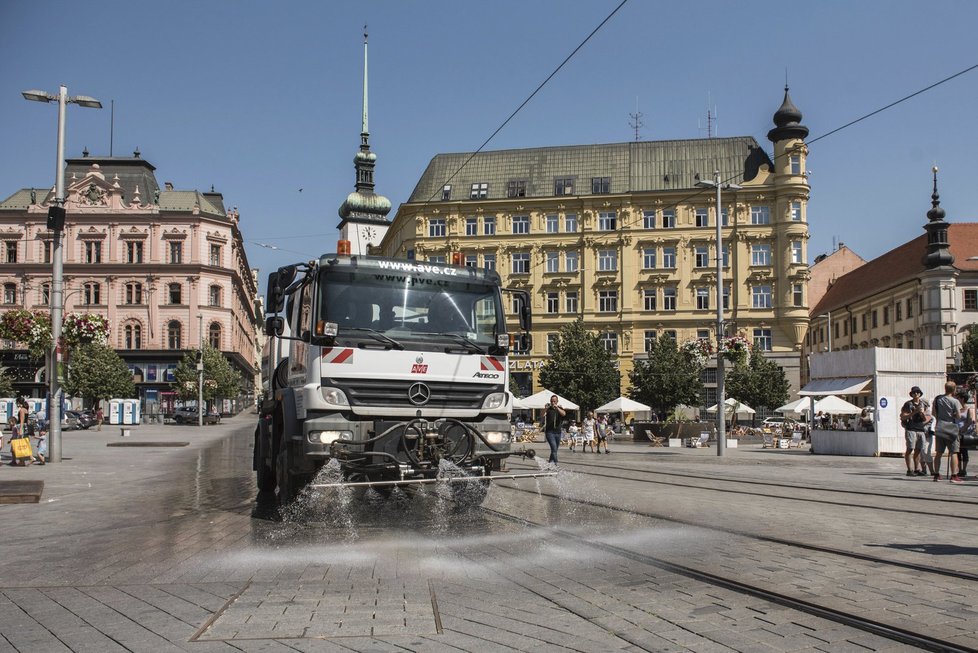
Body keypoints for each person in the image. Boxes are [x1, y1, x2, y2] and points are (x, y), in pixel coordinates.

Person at [932, 381, 965, 483]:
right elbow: (958, 416)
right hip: (951, 427)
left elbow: (934, 413)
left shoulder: (937, 399)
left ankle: (936, 475)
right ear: (954, 389)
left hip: (940, 426)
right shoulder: (955, 401)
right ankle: (954, 476)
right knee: (954, 452)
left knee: (939, 453)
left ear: (945, 388)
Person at [900, 386, 931, 477]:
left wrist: (921, 413)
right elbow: (903, 416)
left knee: (918, 450)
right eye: (914, 392)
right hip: (911, 428)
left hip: (920, 429)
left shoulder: (923, 404)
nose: (916, 394)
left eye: (918, 392)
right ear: (911, 394)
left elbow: (926, 419)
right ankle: (909, 470)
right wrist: (914, 412)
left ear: (920, 394)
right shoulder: (908, 404)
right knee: (910, 449)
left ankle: (917, 469)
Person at [542, 394, 565, 466]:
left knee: (555, 450)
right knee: (554, 448)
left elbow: (564, 414)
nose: (553, 403)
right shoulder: (548, 409)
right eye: (552, 401)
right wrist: (545, 408)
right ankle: (556, 464)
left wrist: (557, 408)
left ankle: (549, 463)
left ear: (557, 401)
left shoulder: (560, 408)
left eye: (554, 401)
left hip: (558, 432)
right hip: (550, 432)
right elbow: (542, 414)